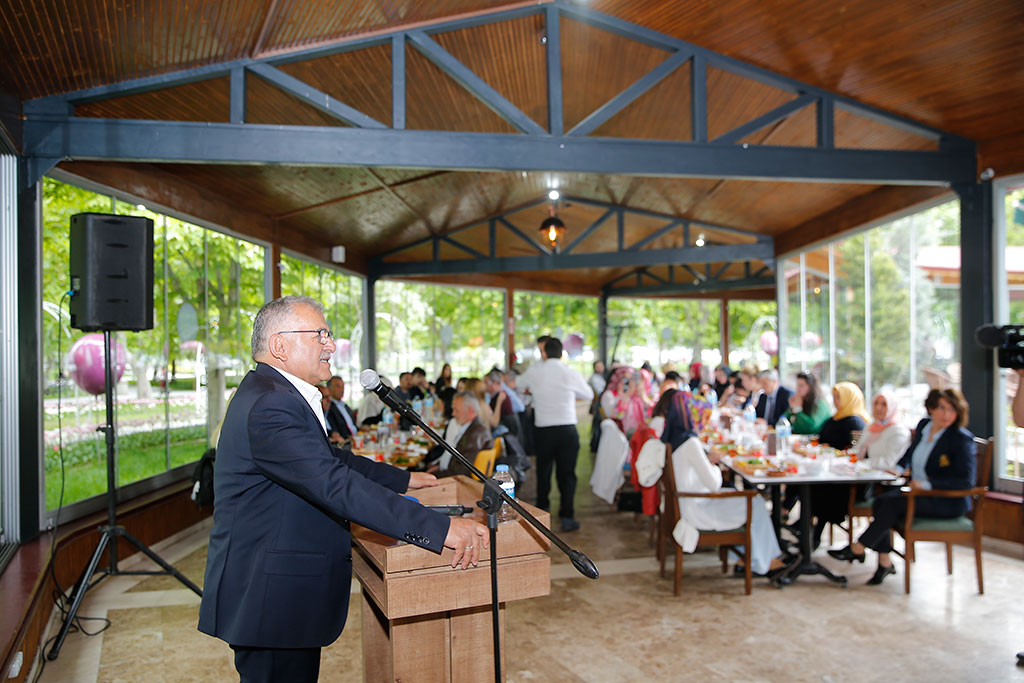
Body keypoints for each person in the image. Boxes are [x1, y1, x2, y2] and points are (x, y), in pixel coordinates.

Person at [198, 296, 487, 682]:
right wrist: (440, 528)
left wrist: (403, 478)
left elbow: (332, 460)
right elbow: (334, 483)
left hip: (276, 591)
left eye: (328, 335)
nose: (330, 345)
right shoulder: (271, 404)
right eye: (319, 335)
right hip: (268, 598)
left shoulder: (275, 393)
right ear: (279, 346)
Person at [829, 389, 977, 585]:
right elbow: (910, 452)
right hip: (919, 494)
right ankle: (884, 562)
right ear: (932, 408)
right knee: (881, 501)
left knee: (890, 504)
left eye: (952, 410)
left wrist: (927, 484)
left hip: (946, 499)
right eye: (942, 408)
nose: (946, 414)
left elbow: (965, 481)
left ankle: (858, 547)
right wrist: (899, 468)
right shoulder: (925, 426)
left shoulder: (960, 438)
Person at [660, 390, 798, 578]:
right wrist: (713, 463)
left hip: (687, 504)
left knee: (742, 497)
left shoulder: (673, 439)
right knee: (755, 503)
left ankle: (749, 558)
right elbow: (714, 484)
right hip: (698, 510)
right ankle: (767, 562)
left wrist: (707, 462)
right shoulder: (690, 443)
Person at [518, 337, 593, 532]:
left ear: (544, 353)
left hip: (543, 429)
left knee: (544, 471)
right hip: (567, 428)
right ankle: (567, 515)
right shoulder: (570, 373)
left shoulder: (535, 371)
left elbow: (518, 385)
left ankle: (542, 512)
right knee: (567, 474)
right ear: (562, 353)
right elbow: (589, 395)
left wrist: (534, 391)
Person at [425, 391, 493, 478]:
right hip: (454, 475)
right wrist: (438, 466)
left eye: (456, 410)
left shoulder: (475, 434)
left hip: (460, 482)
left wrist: (432, 476)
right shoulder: (472, 428)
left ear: (470, 410)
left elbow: (461, 471)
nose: (453, 414)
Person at [854, 389, 911, 471]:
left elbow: (888, 462)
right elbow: (857, 450)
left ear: (892, 407)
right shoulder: (871, 427)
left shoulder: (899, 431)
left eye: (884, 404)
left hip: (883, 478)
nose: (878, 408)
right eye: (876, 403)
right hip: (863, 473)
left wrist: (862, 463)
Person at [818, 382, 871, 450]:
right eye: (834, 396)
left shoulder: (855, 422)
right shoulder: (834, 418)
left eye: (838, 397)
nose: (835, 400)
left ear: (850, 398)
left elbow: (856, 449)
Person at [325, 375, 358, 442]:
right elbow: (336, 432)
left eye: (343, 386)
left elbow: (353, 425)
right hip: (345, 442)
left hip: (357, 439)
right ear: (329, 389)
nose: (342, 389)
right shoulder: (328, 408)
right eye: (338, 386)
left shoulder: (345, 405)